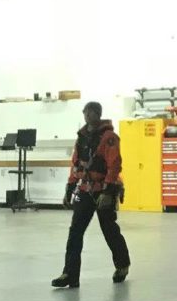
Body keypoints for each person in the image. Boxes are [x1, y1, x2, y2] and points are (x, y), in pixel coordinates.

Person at [51, 102, 131, 288]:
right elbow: (76, 164)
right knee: (75, 233)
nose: (87, 116)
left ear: (98, 114)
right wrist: (69, 189)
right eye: (85, 112)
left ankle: (122, 265)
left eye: (90, 113)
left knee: (109, 230)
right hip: (85, 190)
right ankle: (70, 274)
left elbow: (114, 165)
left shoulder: (109, 138)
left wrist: (108, 191)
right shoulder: (82, 137)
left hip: (104, 190)